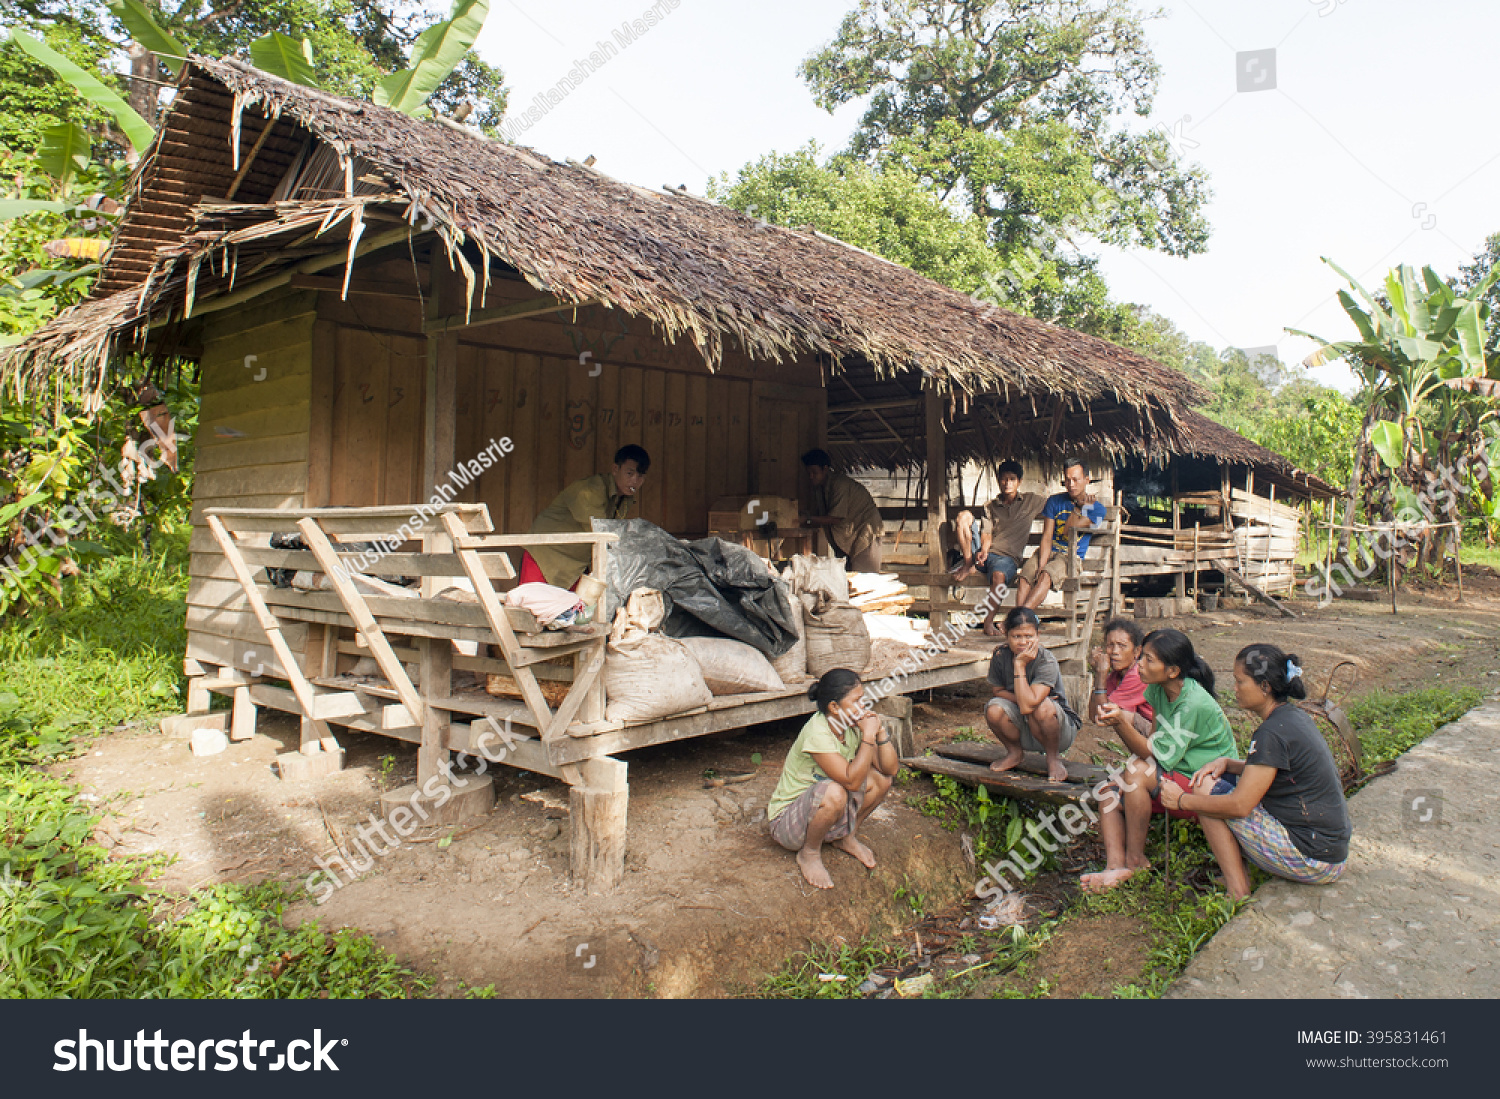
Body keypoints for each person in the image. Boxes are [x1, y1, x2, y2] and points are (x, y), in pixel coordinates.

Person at [1160, 644, 1352, 899]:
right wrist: (1229, 763)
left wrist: (1181, 800)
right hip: (1329, 851)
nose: (1235, 689)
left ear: (1265, 687)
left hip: (1312, 859)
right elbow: (1275, 769)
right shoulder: (1292, 717)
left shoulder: (1271, 733)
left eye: (1240, 682)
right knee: (1214, 785)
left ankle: (1237, 890)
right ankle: (1241, 872)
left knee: (1205, 789)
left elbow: (1240, 806)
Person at [1083, 628, 1238, 892]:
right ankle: (1115, 867)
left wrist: (1121, 721)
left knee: (1135, 773)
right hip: (1175, 771)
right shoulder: (1157, 690)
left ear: (1173, 671)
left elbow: (1151, 756)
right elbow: (1154, 743)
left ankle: (1135, 860)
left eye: (1149, 660)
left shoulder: (1193, 703)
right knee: (1108, 791)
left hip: (1206, 784)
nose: (1140, 664)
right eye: (1142, 656)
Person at [767, 668, 899, 890]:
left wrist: (880, 733)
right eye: (856, 701)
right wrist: (868, 736)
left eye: (863, 699)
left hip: (822, 812)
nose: (863, 706)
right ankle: (809, 852)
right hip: (787, 824)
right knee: (835, 791)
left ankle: (846, 837)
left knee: (881, 781)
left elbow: (890, 769)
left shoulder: (850, 726)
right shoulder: (817, 732)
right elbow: (852, 782)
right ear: (834, 707)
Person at [522, 444, 649, 589]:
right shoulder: (590, 491)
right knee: (531, 606)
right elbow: (601, 533)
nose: (634, 481)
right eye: (629, 473)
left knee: (569, 610)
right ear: (615, 469)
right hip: (545, 557)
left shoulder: (624, 499)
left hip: (573, 567)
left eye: (640, 476)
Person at [983, 606, 1082, 784]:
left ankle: (1053, 758)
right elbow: (998, 692)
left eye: (1029, 636)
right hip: (1025, 723)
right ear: (1007, 635)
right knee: (993, 709)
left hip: (1059, 731)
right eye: (1016, 636)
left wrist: (1020, 666)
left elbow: (1030, 705)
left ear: (1038, 635)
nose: (1023, 642)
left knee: (1042, 707)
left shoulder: (1046, 660)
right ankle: (1015, 752)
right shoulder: (1000, 655)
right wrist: (1024, 700)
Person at [950, 459, 1048, 636]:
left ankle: (988, 623)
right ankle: (967, 564)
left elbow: (1057, 504)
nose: (1007, 483)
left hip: (1007, 558)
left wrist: (1084, 504)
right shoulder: (990, 506)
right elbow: (986, 533)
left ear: (1019, 481)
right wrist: (984, 551)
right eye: (1003, 479)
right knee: (963, 516)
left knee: (998, 576)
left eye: (1012, 479)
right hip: (984, 554)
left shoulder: (1031, 501)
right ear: (998, 480)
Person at [1014, 457, 1106, 610]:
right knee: (1025, 577)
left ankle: (1018, 620)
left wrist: (1078, 509)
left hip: (1070, 557)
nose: (1071, 485)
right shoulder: (1054, 501)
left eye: (1076, 480)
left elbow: (1068, 532)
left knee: (1046, 576)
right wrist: (1042, 564)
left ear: (1087, 480)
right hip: (1048, 552)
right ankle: (1022, 622)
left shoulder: (1097, 509)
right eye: (1067, 480)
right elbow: (1047, 536)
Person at [801, 448, 884, 573]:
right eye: (809, 473)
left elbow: (836, 518)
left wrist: (808, 519)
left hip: (865, 536)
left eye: (814, 472)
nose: (811, 477)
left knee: (864, 583)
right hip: (846, 541)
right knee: (846, 583)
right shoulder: (820, 489)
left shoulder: (840, 485)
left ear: (825, 469)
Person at [1087, 617, 1155, 728]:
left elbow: (1103, 714)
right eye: (1110, 645)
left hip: (1163, 731)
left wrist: (1101, 674)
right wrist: (1099, 675)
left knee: (1119, 715)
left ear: (1137, 651)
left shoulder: (1137, 674)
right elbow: (1093, 715)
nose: (1114, 651)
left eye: (1122, 646)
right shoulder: (1116, 676)